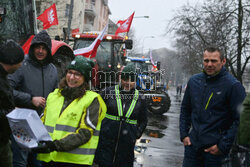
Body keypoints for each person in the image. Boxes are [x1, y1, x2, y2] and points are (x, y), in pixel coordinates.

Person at [32, 56, 107, 167]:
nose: (71, 77)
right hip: (49, 159)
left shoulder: (92, 100)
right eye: (69, 72)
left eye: (77, 74)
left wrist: (55, 146)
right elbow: (41, 123)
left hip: (74, 162)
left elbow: (85, 133)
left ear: (85, 78)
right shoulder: (54, 96)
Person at [179, 47, 246, 167]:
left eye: (214, 61)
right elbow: (185, 109)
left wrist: (222, 146)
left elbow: (240, 119)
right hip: (192, 149)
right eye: (206, 60)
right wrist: (184, 135)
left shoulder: (233, 86)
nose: (209, 64)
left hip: (216, 154)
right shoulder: (194, 81)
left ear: (223, 61)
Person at [8, 30, 58, 167]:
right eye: (37, 47)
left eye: (44, 48)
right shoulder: (21, 65)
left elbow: (56, 94)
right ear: (32, 48)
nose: (40, 51)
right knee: (20, 161)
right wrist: (30, 99)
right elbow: (7, 91)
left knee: (38, 161)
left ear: (48, 50)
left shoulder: (53, 69)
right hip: (21, 122)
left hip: (41, 124)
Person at [94, 63, 148, 167]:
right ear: (121, 79)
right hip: (106, 144)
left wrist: (135, 134)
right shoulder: (107, 92)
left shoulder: (141, 98)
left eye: (131, 80)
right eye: (125, 79)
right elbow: (95, 113)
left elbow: (144, 120)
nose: (128, 83)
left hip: (126, 147)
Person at [0, 40, 24, 167]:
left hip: (3, 139)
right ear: (12, 62)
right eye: (20, 62)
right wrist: (12, 112)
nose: (21, 65)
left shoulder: (4, 77)